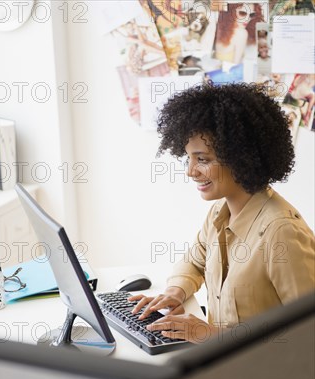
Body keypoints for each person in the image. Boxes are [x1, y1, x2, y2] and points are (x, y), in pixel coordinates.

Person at [129, 83, 315, 343]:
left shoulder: (281, 232)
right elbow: (194, 261)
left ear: (241, 158)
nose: (190, 171)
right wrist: (175, 291)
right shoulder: (221, 212)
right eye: (189, 159)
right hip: (223, 369)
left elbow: (306, 338)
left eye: (202, 159)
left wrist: (209, 335)